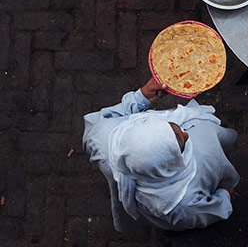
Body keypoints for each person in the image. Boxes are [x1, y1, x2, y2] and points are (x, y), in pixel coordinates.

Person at [83, 78, 239, 232]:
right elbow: (207, 213)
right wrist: (224, 195)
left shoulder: (101, 136)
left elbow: (109, 117)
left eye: (169, 125)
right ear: (169, 164)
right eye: (180, 142)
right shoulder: (183, 205)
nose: (185, 134)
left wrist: (142, 96)